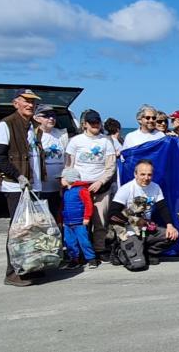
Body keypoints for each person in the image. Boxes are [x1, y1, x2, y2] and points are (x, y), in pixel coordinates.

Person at [0, 89, 46, 286]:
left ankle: (30, 267)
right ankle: (12, 272)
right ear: (15, 103)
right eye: (26, 101)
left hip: (34, 186)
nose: (30, 105)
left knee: (32, 230)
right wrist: (18, 176)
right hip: (16, 188)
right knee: (17, 231)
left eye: (33, 102)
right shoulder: (6, 125)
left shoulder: (32, 126)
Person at [64, 110, 116, 262]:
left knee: (100, 220)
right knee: (80, 221)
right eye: (92, 122)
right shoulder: (75, 141)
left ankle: (99, 248)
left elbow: (110, 166)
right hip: (79, 188)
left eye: (97, 122)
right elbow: (69, 165)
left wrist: (100, 181)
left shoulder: (106, 141)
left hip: (101, 187)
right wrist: (68, 183)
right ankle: (80, 251)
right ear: (84, 124)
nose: (95, 125)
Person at [107, 159, 179, 265]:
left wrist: (170, 225)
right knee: (138, 265)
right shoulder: (126, 189)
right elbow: (111, 215)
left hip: (145, 229)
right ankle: (119, 251)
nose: (146, 178)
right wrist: (134, 220)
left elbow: (163, 208)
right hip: (129, 231)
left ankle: (148, 253)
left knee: (172, 235)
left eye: (149, 175)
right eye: (142, 174)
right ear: (135, 174)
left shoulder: (155, 187)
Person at [59, 167, 98, 269]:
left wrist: (87, 217)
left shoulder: (82, 190)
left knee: (84, 241)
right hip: (67, 223)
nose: (60, 180)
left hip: (80, 222)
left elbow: (88, 204)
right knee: (70, 242)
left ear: (69, 178)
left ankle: (91, 259)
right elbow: (63, 206)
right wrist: (62, 220)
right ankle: (74, 259)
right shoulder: (65, 191)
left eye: (62, 178)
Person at [34, 104, 68, 220]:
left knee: (57, 215)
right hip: (41, 186)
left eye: (53, 115)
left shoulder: (62, 134)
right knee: (42, 218)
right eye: (47, 116)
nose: (51, 118)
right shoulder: (33, 135)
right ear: (37, 118)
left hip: (59, 185)